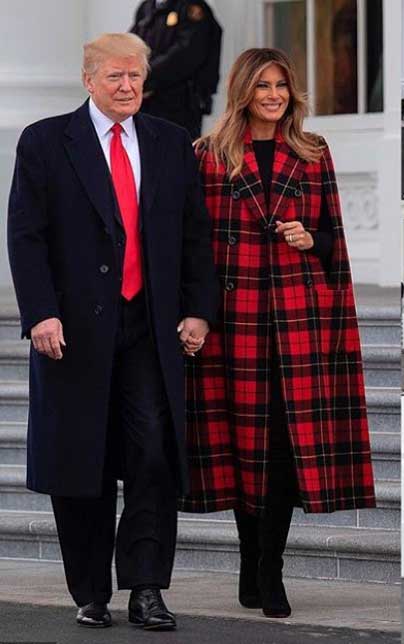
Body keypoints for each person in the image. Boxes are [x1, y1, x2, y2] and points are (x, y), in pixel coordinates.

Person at [7, 33, 217, 630]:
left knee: (153, 453)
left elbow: (194, 236)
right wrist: (40, 312)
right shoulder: (47, 141)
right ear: (88, 79)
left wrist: (200, 309)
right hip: (70, 332)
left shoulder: (171, 143)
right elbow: (25, 235)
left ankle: (147, 587)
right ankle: (91, 590)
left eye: (136, 77)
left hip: (150, 328)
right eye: (115, 78)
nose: (127, 88)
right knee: (84, 462)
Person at [178, 48, 376, 619]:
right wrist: (193, 313)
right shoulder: (208, 156)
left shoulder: (313, 154)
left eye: (282, 86)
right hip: (232, 321)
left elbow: (334, 241)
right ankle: (248, 558)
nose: (274, 95)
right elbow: (193, 248)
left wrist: (307, 239)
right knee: (247, 446)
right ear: (243, 90)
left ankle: (272, 567)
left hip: (299, 318)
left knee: (286, 450)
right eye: (263, 85)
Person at [131, 0, 223, 139]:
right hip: (146, 102)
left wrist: (144, 76)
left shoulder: (191, 8)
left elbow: (186, 55)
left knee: (176, 154)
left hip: (180, 105)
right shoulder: (147, 7)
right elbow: (130, 43)